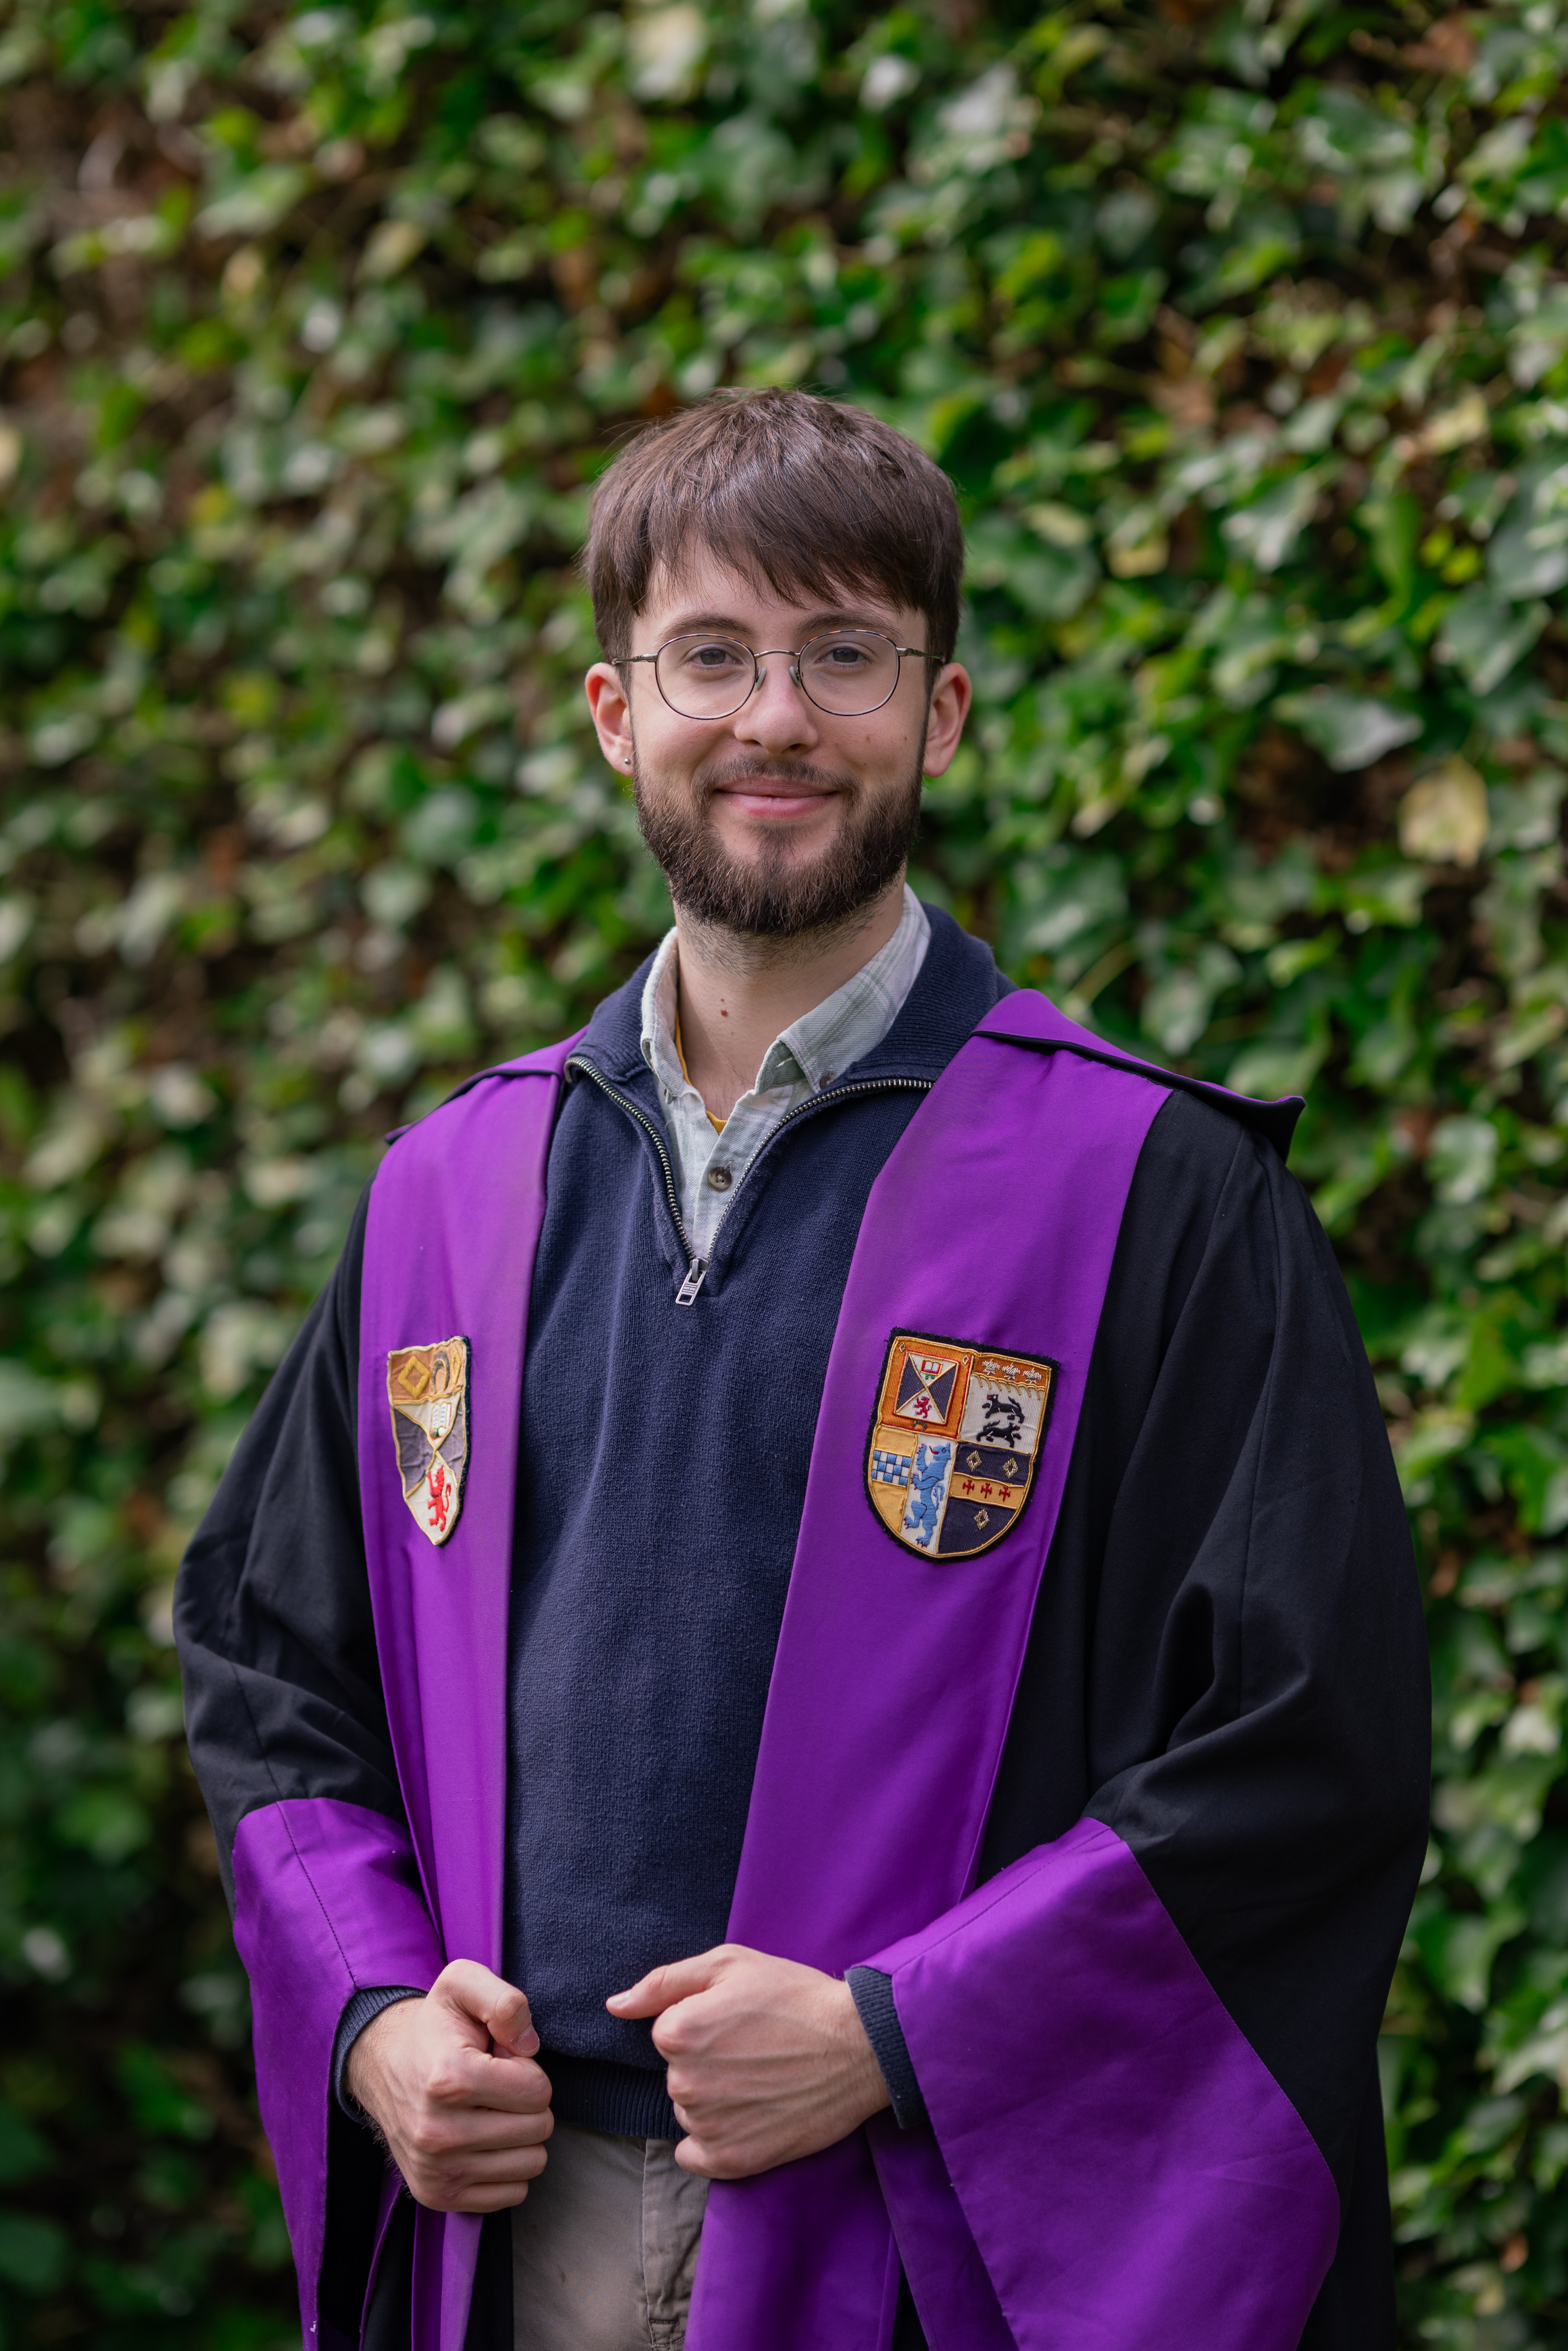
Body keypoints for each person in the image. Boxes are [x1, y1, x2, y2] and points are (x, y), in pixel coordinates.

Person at [174, 388, 1430, 2351]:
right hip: (529, 2233)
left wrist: (892, 2035)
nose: (775, 717)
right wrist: (374, 2017)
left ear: (936, 717)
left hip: (933, 2240)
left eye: (845, 654)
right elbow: (274, 1677)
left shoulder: (1146, 1194)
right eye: (714, 657)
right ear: (615, 713)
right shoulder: (450, 1195)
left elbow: (1301, 1737)